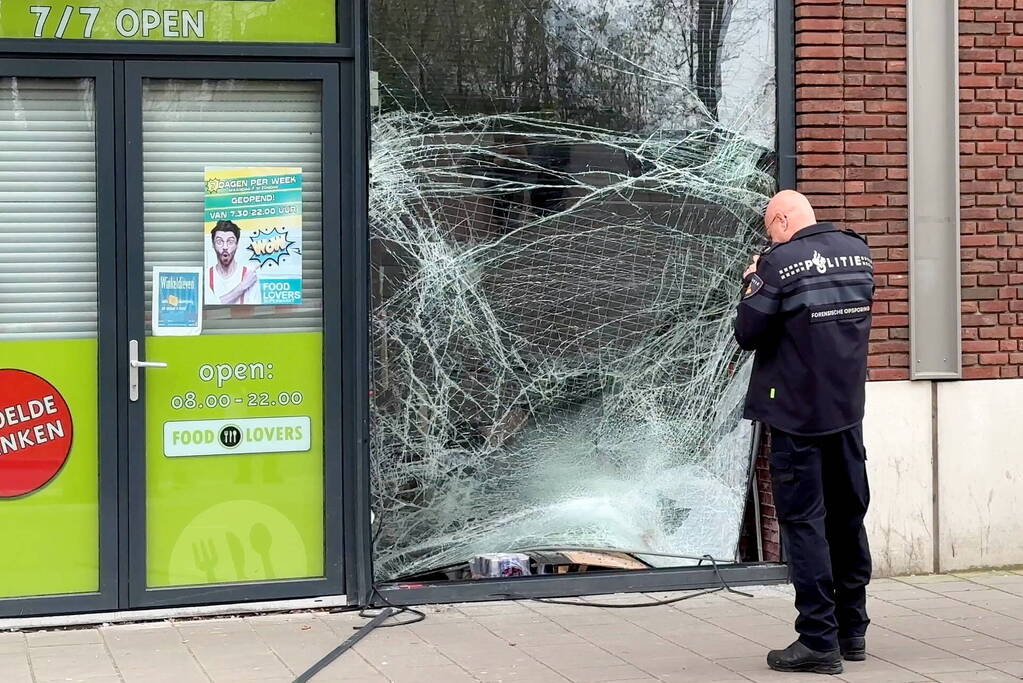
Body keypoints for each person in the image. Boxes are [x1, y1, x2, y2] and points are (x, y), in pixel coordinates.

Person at [734, 190, 874, 675]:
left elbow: (748, 333)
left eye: (770, 227)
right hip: (847, 411)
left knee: (804, 523)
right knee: (848, 515)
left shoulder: (779, 263)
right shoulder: (859, 251)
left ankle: (818, 641)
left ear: (782, 220)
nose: (770, 235)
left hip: (796, 415)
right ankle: (852, 630)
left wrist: (754, 278)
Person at [206, 220, 261, 305]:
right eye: (219, 242)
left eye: (230, 242)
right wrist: (243, 286)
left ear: (237, 244)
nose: (225, 247)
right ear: (213, 244)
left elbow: (256, 312)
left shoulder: (249, 276)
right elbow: (210, 306)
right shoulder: (205, 277)